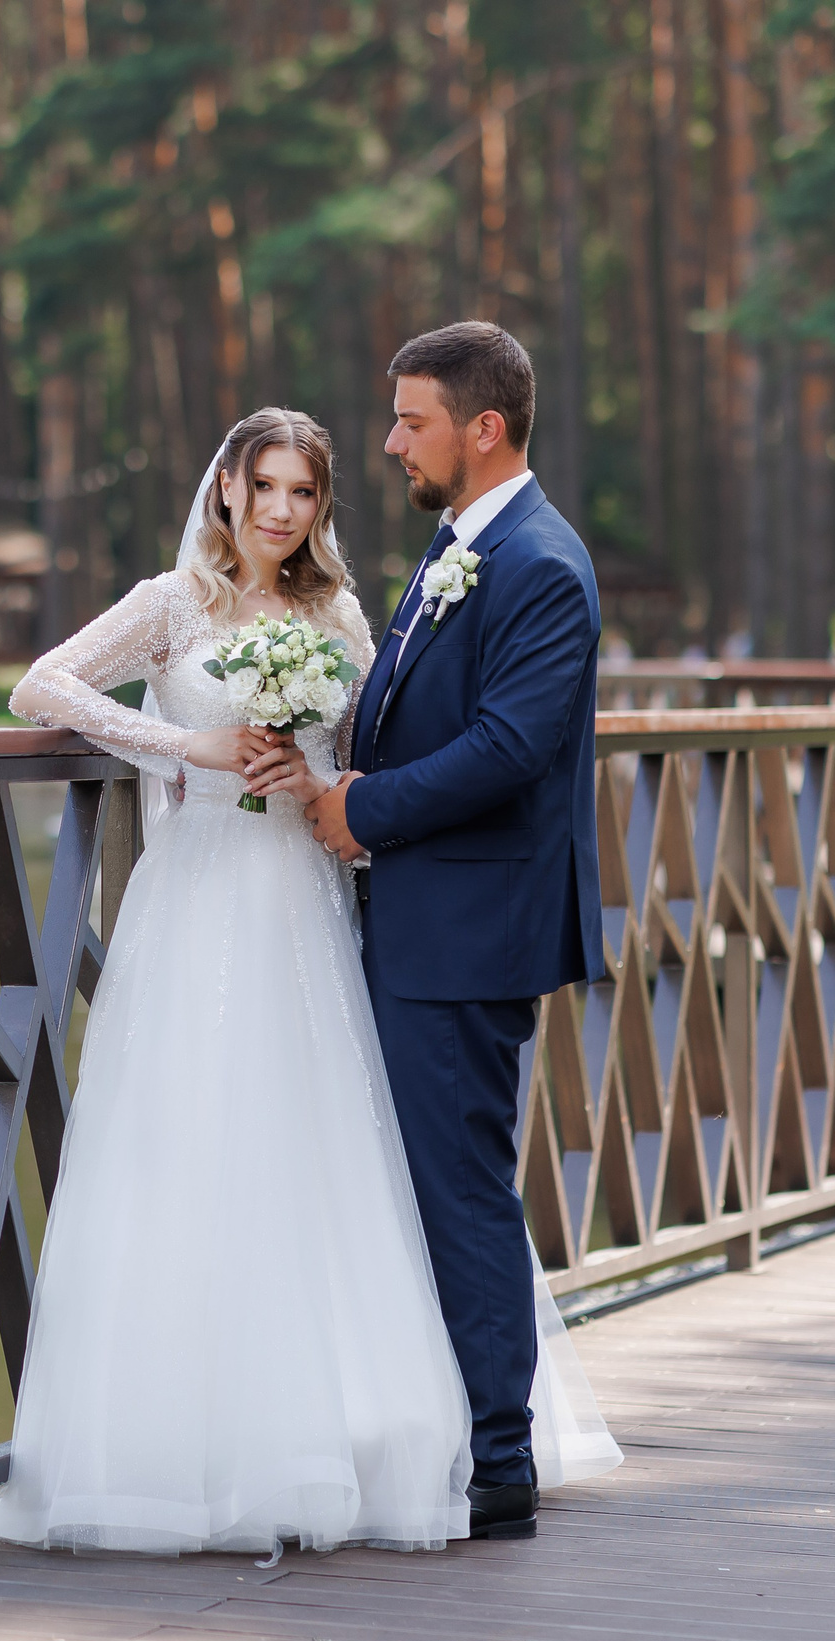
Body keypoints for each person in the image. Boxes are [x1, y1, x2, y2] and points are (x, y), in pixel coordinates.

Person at [0, 403, 616, 1560]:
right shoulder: (171, 603)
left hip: (313, 905)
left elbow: (371, 747)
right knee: (197, 1149)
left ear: (321, 508)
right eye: (263, 486)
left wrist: (336, 792)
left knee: (332, 1153)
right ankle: (192, 1444)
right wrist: (191, 749)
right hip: (203, 900)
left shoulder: (335, 609)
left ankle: (360, 1431)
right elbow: (42, 688)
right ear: (224, 485)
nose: (280, 510)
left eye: (303, 493)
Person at [257, 322, 613, 1541]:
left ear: (484, 429)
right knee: (415, 1180)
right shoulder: (461, 549)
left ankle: (499, 1463)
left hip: (467, 924)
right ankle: (441, 1433)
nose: (391, 441)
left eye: (410, 420)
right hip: (419, 913)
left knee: (455, 1185)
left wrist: (359, 810)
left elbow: (511, 749)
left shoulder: (540, 566)